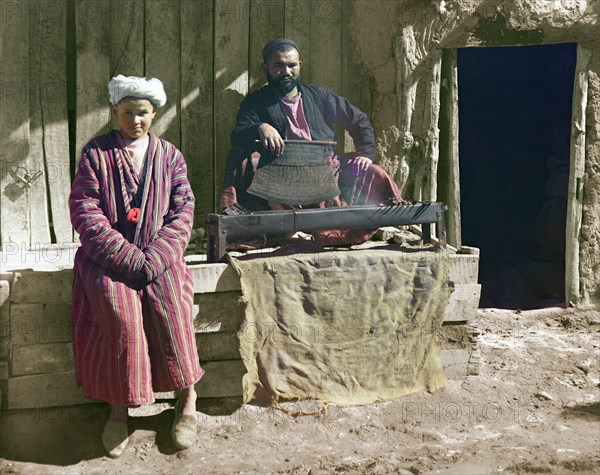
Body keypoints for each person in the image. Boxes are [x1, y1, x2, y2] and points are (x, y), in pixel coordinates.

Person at [68, 75, 203, 457]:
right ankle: (118, 409)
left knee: (172, 307)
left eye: (143, 113)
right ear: (115, 111)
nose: (136, 121)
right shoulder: (96, 155)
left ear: (154, 113)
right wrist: (127, 258)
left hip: (159, 257)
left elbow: (183, 212)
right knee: (120, 314)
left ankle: (187, 397)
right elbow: (86, 212)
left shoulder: (170, 156)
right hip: (108, 259)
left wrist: (156, 257)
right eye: (127, 113)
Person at [221, 38, 401, 245]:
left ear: (300, 66)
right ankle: (272, 230)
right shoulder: (255, 101)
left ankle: (343, 230)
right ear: (266, 68)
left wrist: (365, 153)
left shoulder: (320, 97)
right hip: (280, 176)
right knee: (243, 160)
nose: (286, 72)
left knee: (374, 173)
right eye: (278, 66)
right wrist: (259, 127)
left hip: (325, 171)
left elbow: (358, 120)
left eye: (292, 65)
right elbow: (238, 134)